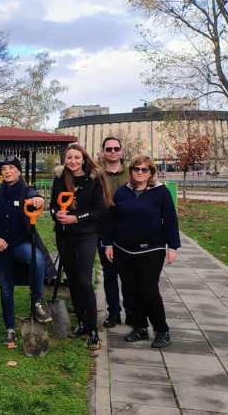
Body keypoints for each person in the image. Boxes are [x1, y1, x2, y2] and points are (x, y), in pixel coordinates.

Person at [104, 155, 180, 349]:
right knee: (130, 290)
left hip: (151, 249)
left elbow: (170, 220)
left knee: (148, 289)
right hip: (123, 249)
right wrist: (108, 244)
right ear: (130, 172)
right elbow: (112, 220)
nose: (140, 172)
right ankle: (140, 327)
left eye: (144, 170)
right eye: (136, 169)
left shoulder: (160, 192)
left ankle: (162, 330)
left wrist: (172, 247)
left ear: (151, 172)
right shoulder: (122, 192)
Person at [0, 155, 52, 345]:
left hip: (20, 245)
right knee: (5, 289)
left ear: (19, 171)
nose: (7, 172)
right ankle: (10, 329)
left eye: (11, 168)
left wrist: (36, 199)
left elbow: (33, 195)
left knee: (36, 258)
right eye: (3, 169)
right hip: (1, 248)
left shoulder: (26, 190)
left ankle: (36, 302)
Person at [49, 143, 111, 350]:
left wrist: (76, 218)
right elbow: (53, 205)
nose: (72, 161)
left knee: (85, 281)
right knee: (73, 279)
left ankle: (93, 328)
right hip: (64, 235)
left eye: (76, 157)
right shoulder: (60, 178)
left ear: (83, 159)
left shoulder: (94, 179)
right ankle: (82, 322)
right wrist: (56, 215)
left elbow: (101, 210)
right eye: (69, 158)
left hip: (85, 234)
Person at [98, 137, 131, 328]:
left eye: (116, 148)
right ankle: (114, 312)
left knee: (128, 275)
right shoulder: (96, 174)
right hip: (103, 232)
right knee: (109, 274)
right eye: (108, 148)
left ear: (121, 150)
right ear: (103, 151)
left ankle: (131, 311)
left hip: (129, 232)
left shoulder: (132, 171)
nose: (112, 151)